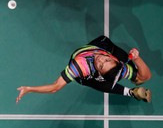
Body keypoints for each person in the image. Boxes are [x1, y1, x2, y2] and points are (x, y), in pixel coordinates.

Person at [16, 36, 152, 104]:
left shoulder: (81, 67)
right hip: (102, 47)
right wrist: (136, 58)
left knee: (106, 83)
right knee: (135, 78)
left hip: (92, 77)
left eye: (101, 65)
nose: (100, 60)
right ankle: (131, 92)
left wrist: (29, 89)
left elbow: (55, 87)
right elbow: (55, 87)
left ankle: (131, 92)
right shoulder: (115, 63)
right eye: (105, 61)